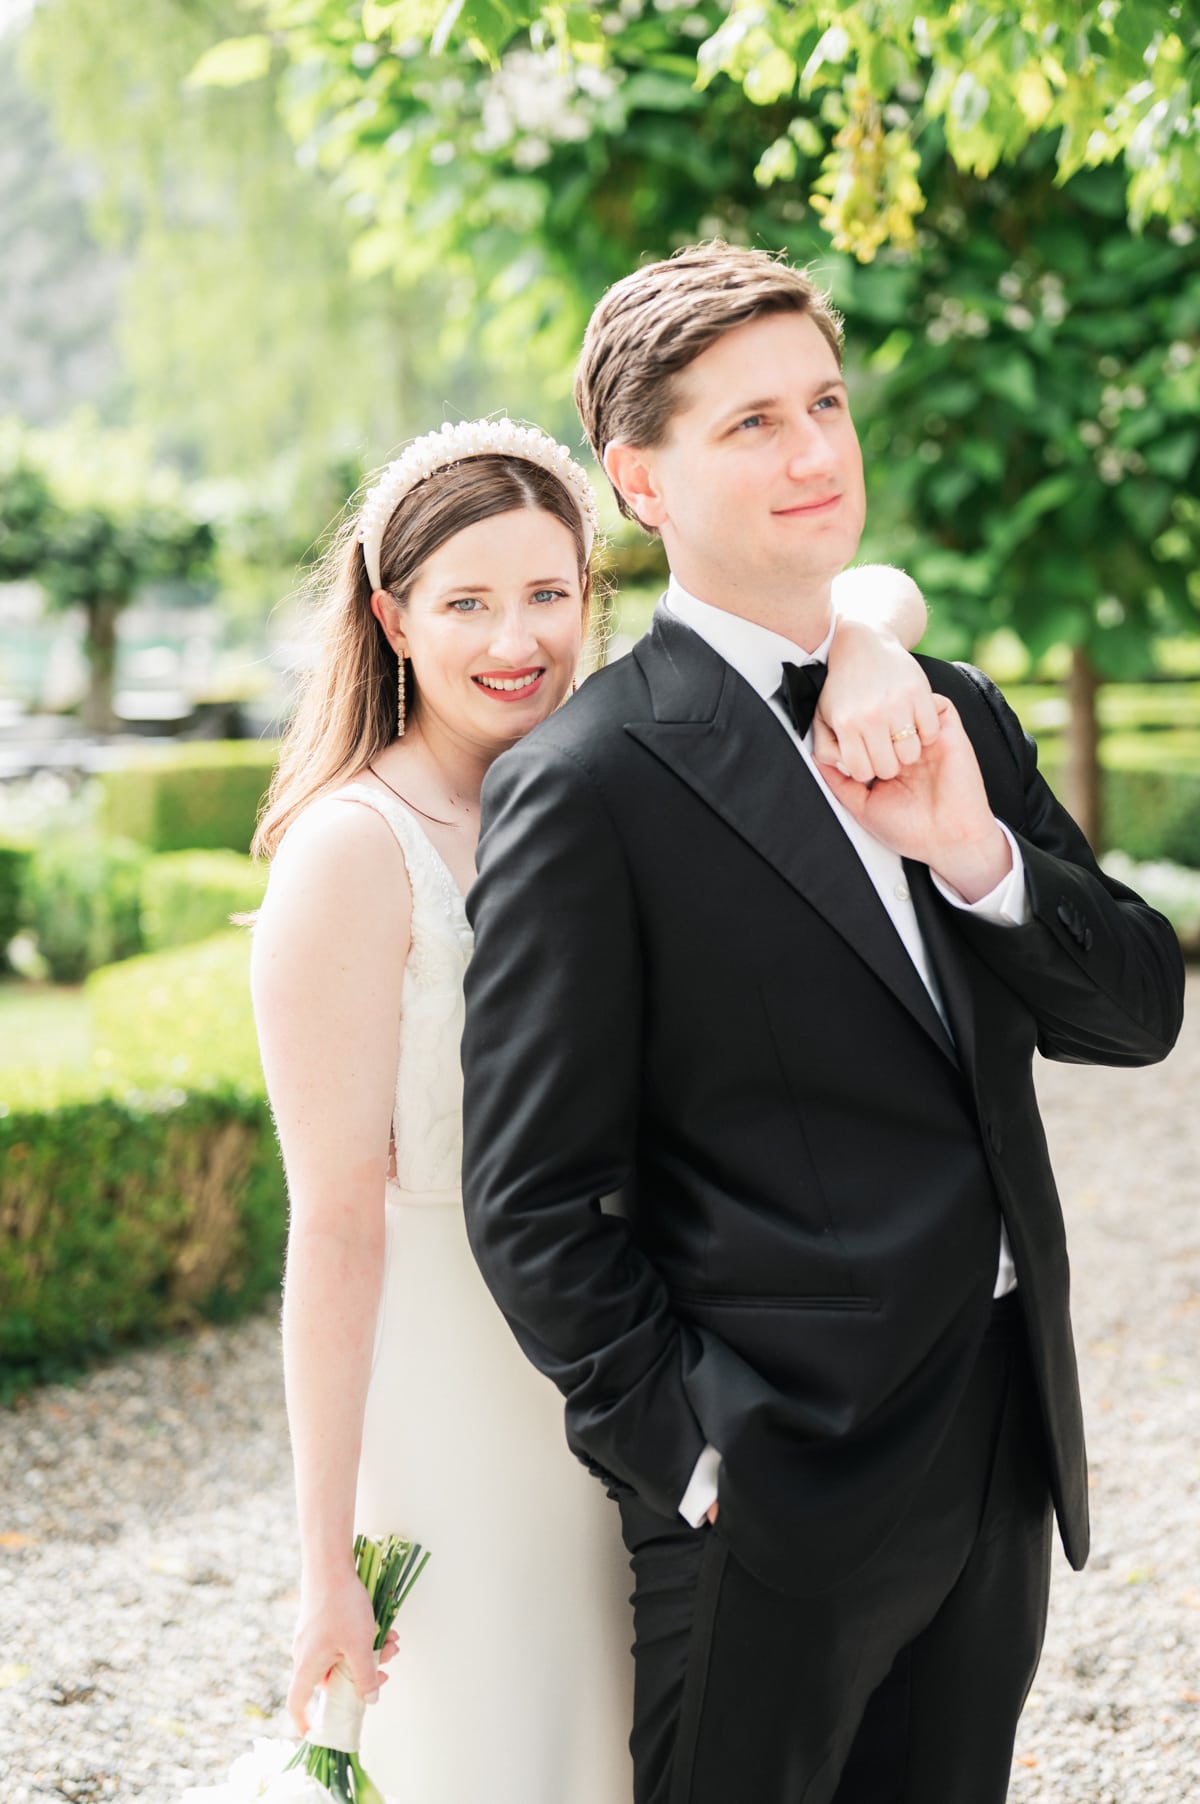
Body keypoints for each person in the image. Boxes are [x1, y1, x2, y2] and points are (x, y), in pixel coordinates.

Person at [459, 248, 1187, 1804]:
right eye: (752, 424)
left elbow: (1137, 1014)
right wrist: (697, 1455)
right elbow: (528, 1199)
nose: (813, 455)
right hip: (770, 1487)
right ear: (638, 480)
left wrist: (972, 854)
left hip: (1001, 1443)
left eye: (828, 405)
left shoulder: (957, 710)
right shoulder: (586, 785)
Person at [249, 413, 940, 1804]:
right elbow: (330, 1229)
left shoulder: (629, 766)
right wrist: (324, 1562)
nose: (519, 639)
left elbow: (862, 591)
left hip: (645, 1358)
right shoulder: (351, 851)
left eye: (549, 594)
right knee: (507, 1742)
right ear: (390, 617)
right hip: (459, 1397)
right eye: (467, 604)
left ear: (596, 592)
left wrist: (866, 646)